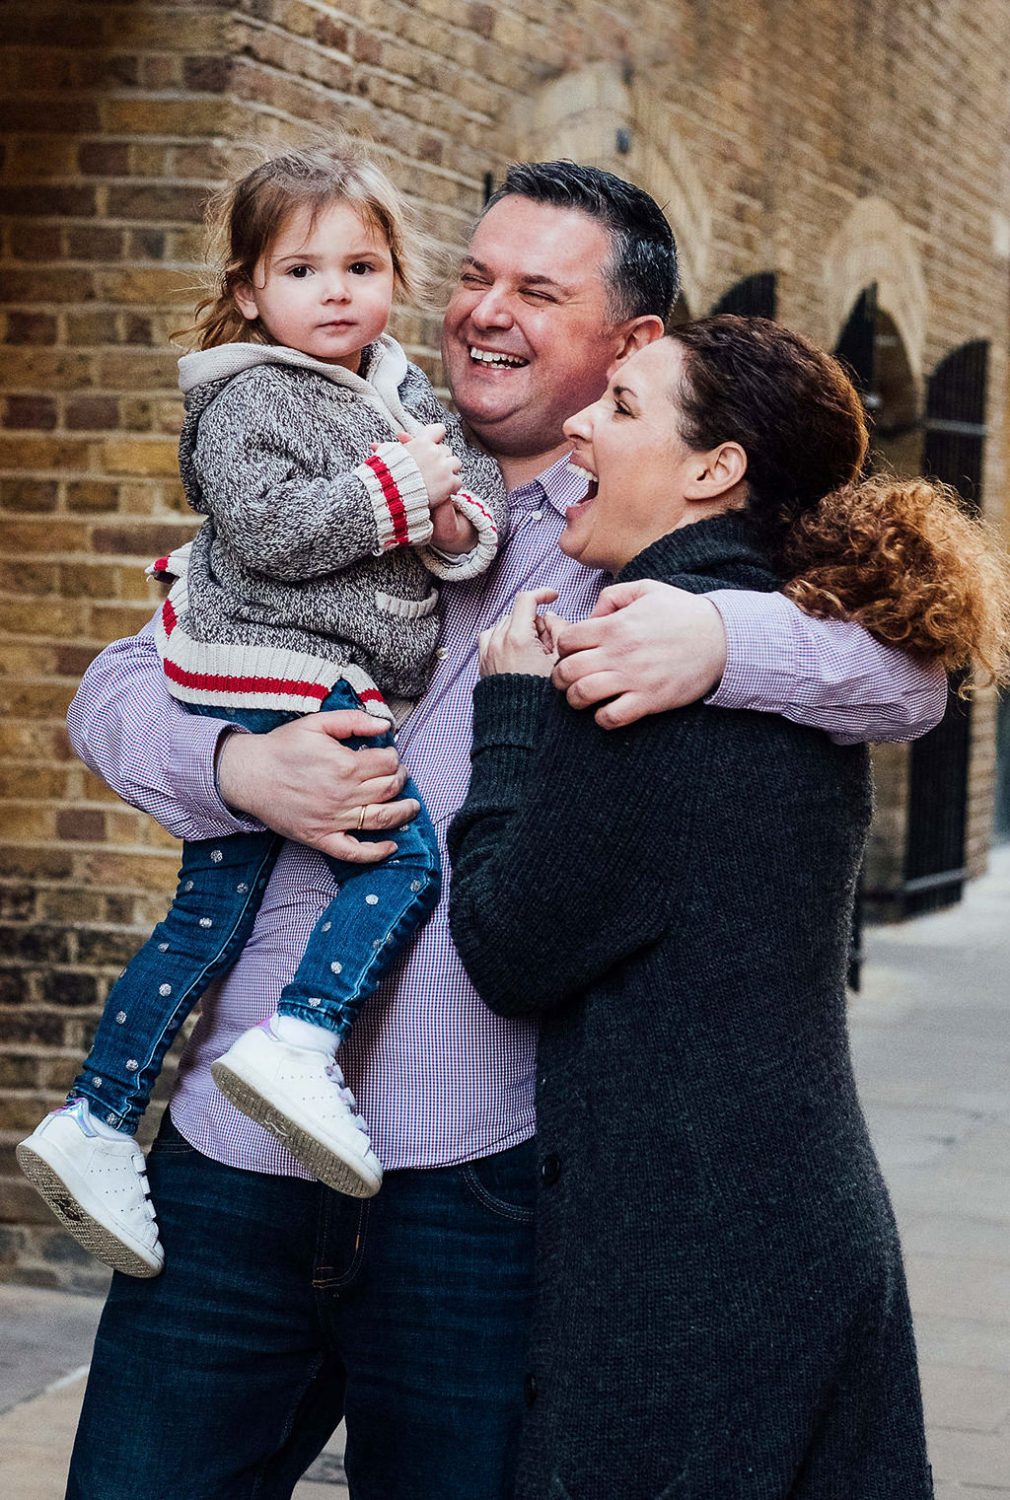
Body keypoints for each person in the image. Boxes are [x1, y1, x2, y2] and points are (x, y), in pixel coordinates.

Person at [62, 163, 946, 1500]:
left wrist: (717, 634)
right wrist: (242, 771)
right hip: (229, 1161)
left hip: (472, 1189)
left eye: (538, 290)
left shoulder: (633, 531)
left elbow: (903, 676)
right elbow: (116, 689)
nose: (485, 312)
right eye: (474, 275)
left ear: (630, 343)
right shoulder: (352, 468)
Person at [449, 318, 1010, 1500]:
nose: (581, 424)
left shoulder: (644, 668)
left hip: (690, 1263)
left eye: (622, 407)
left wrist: (505, 715)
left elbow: (510, 946)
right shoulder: (762, 631)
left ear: (713, 470)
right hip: (777, 1217)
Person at [18, 142, 507, 1276]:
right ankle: (303, 1038)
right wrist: (399, 491)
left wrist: (445, 520)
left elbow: (469, 501)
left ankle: (94, 1119)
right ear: (248, 289)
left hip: (319, 664)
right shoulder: (243, 398)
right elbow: (271, 531)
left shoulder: (396, 385)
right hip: (277, 663)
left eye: (361, 264)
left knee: (207, 914)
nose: (334, 292)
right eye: (300, 271)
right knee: (396, 862)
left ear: (394, 273)